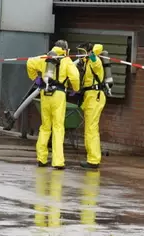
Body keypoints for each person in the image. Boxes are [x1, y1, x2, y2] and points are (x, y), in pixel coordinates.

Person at [26, 40, 80, 170]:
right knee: (58, 127)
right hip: (59, 95)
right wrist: (76, 89)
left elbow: (29, 62)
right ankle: (58, 161)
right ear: (66, 49)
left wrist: (36, 78)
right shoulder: (66, 60)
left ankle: (41, 158)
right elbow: (75, 77)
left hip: (45, 94)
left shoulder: (46, 57)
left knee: (45, 127)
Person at [76, 42, 113, 170]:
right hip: (90, 96)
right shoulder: (86, 63)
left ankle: (93, 160)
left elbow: (96, 62)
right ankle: (91, 158)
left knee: (91, 129)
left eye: (82, 52)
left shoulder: (94, 60)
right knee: (89, 129)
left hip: (95, 96)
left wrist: (91, 56)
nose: (80, 55)